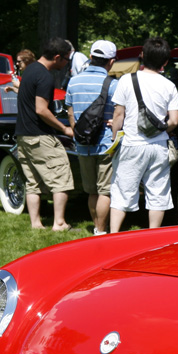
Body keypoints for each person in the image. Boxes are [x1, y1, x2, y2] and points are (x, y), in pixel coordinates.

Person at [108, 36, 178, 232]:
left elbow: (118, 115)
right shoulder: (169, 86)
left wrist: (114, 140)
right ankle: (153, 235)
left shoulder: (126, 80)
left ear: (141, 56)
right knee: (158, 193)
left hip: (132, 144)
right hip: (158, 146)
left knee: (122, 191)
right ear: (165, 62)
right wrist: (159, 131)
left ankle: (113, 235)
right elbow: (173, 121)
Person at [14, 38, 75, 231]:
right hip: (39, 136)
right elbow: (41, 109)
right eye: (66, 59)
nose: (67, 63)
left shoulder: (30, 70)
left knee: (33, 183)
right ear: (57, 57)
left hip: (23, 135)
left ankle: (36, 224)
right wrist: (64, 129)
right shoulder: (45, 76)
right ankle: (59, 223)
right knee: (61, 178)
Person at [64, 39, 118, 235]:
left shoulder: (73, 81)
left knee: (91, 190)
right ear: (110, 62)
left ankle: (96, 226)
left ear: (91, 57)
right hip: (104, 144)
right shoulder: (113, 84)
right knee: (105, 190)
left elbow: (70, 112)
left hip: (82, 144)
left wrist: (77, 131)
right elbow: (119, 113)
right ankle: (101, 230)